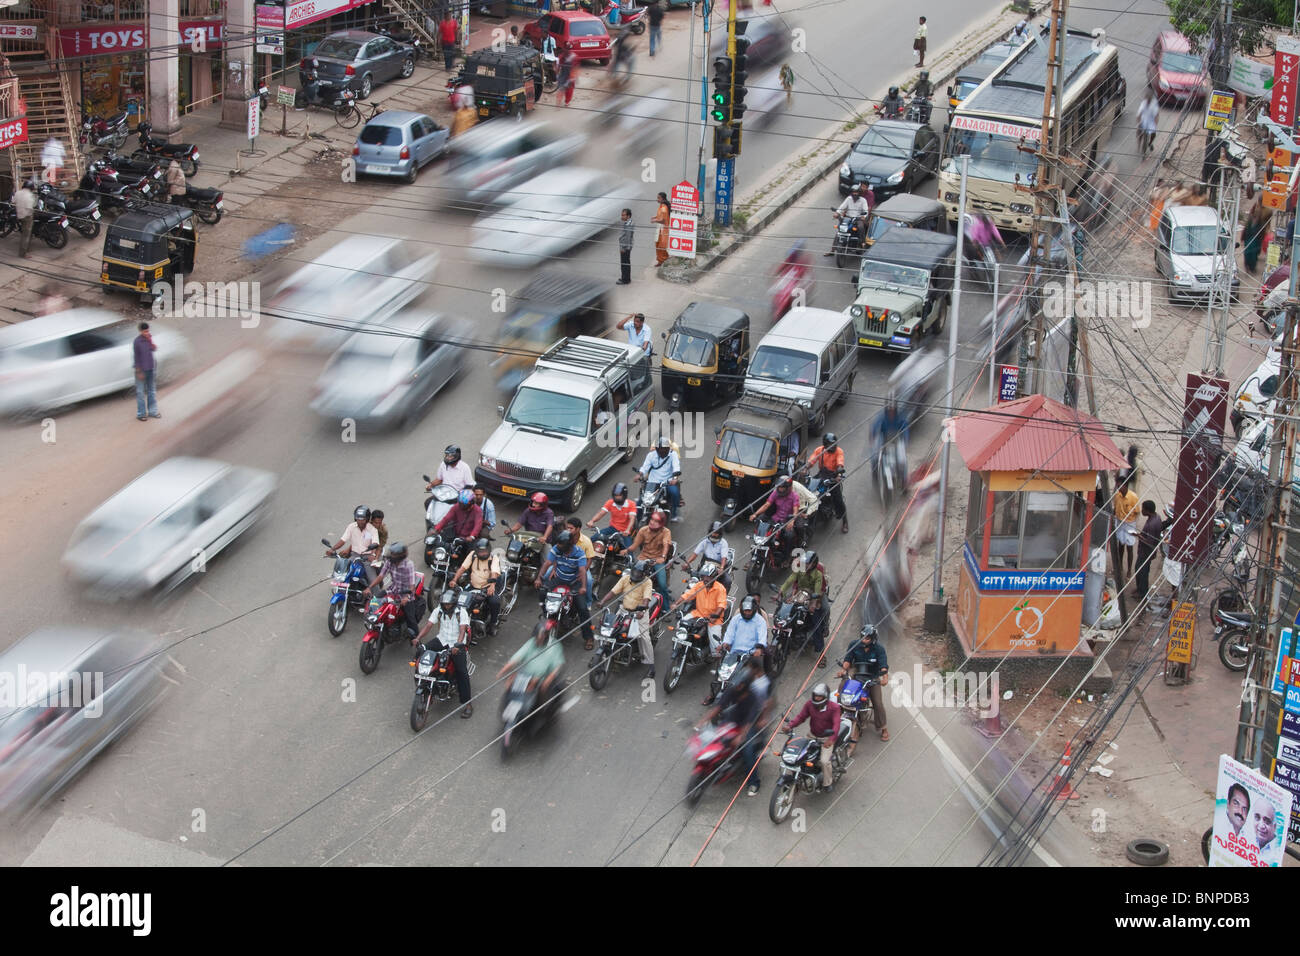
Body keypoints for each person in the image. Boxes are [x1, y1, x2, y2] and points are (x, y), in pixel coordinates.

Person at [413, 589, 474, 717]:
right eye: (444, 604)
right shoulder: (438, 610)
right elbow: (428, 625)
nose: (446, 606)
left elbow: (462, 630)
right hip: (442, 639)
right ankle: (426, 684)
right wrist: (418, 639)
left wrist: (457, 645)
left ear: (454, 603)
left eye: (448, 604)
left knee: (462, 672)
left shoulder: (461, 612)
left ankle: (467, 704)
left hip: (457, 644)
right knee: (422, 652)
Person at [598, 559, 657, 678]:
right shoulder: (625, 578)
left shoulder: (647, 582)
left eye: (639, 573)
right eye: (634, 571)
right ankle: (600, 656)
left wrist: (642, 610)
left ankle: (651, 666)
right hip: (624, 609)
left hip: (639, 612)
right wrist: (602, 601)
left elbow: (646, 599)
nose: (635, 574)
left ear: (644, 574)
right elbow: (613, 592)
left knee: (644, 637)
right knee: (608, 628)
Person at [537, 530, 594, 649]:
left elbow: (582, 570)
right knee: (542, 592)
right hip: (559, 578)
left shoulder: (579, 553)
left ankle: (588, 637)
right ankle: (548, 614)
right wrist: (539, 578)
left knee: (582, 608)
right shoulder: (557, 549)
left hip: (574, 582)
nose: (558, 546)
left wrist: (583, 586)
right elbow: (547, 563)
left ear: (568, 545)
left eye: (561, 544)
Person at [705, 594, 766, 705]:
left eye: (749, 611)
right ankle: (713, 694)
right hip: (734, 651)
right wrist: (725, 643)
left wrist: (759, 648)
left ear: (753, 610)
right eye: (745, 610)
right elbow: (729, 633)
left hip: (750, 654)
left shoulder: (760, 621)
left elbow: (762, 636)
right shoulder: (736, 619)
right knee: (721, 671)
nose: (747, 613)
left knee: (749, 679)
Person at [837, 624, 890, 750]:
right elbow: (847, 660)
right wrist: (843, 670)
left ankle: (883, 727)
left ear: (873, 639)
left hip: (872, 675)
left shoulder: (879, 649)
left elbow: (883, 665)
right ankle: (838, 715)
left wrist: (884, 677)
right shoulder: (854, 644)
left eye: (867, 638)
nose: (864, 640)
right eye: (863, 637)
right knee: (842, 689)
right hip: (856, 672)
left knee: (877, 702)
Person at [497, 621, 566, 715]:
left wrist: (548, 679)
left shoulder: (554, 646)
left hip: (542, 678)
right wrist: (502, 671)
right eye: (537, 637)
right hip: (525, 675)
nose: (538, 640)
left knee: (542, 688)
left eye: (541, 637)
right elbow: (516, 658)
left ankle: (543, 708)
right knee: (510, 682)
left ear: (546, 636)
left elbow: (557, 666)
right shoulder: (531, 643)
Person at [784, 683, 842, 792]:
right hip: (812, 736)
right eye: (815, 695)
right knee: (800, 757)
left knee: (824, 761)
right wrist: (790, 725)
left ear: (825, 697)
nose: (816, 698)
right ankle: (796, 780)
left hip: (826, 739)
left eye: (819, 696)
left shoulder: (834, 708)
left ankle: (828, 782)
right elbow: (801, 717)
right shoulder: (809, 704)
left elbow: (836, 725)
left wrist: (831, 740)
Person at [363, 541, 423, 639]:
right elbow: (381, 576)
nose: (391, 555)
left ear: (400, 555)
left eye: (393, 554)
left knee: (410, 619)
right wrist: (369, 587)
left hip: (406, 593)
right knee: (375, 601)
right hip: (393, 590)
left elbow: (411, 585)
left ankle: (416, 640)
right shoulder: (389, 562)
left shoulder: (408, 565)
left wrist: (406, 597)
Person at [777, 549, 829, 660]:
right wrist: (781, 590)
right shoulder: (800, 569)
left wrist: (813, 604)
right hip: (800, 593)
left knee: (820, 616)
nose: (805, 565)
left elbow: (817, 590)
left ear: (814, 564)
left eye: (808, 563)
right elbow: (790, 580)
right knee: (787, 609)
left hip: (815, 595)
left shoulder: (818, 574)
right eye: (804, 562)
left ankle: (821, 653)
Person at [669, 562, 729, 657]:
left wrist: (714, 616)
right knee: (680, 624)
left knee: (716, 647)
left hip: (713, 619)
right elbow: (688, 595)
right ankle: (681, 646)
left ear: (714, 577)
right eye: (703, 576)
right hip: (698, 613)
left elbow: (721, 606)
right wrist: (676, 604)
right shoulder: (699, 585)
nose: (705, 579)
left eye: (708, 577)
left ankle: (718, 661)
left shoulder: (720, 588)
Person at [450, 537, 502, 634]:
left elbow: (494, 573)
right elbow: (462, 568)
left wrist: (492, 586)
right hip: (473, 586)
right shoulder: (473, 555)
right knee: (459, 600)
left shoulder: (494, 558)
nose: (483, 554)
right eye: (480, 552)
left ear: (489, 550)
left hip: (487, 586)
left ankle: (493, 623)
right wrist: (454, 579)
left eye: (485, 551)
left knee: (494, 601)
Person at [750, 474, 806, 560]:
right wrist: (755, 514)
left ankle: (787, 558)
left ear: (788, 487)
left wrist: (792, 521)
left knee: (789, 536)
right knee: (762, 531)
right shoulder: (775, 493)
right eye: (779, 487)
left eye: (782, 487)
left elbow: (795, 510)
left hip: (787, 520)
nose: (780, 489)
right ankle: (755, 555)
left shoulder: (794, 496)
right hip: (776, 519)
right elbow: (766, 505)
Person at [804, 432, 848, 533]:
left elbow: (840, 463)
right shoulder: (819, 450)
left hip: (833, 476)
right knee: (809, 490)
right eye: (829, 444)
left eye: (834, 444)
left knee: (839, 500)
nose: (832, 446)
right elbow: (812, 460)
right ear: (825, 444)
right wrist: (805, 468)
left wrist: (839, 474)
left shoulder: (839, 451)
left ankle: (845, 522)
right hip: (822, 475)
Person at [325, 505, 381, 584]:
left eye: (363, 519)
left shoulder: (372, 530)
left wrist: (373, 554)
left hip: (367, 557)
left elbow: (375, 543)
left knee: (373, 582)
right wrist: (332, 549)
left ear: (367, 519)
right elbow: (343, 540)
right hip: (354, 555)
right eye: (358, 519)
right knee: (343, 574)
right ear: (355, 518)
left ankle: (377, 595)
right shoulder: (351, 527)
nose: (360, 521)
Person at [629, 509, 673, 601]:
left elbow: (666, 544)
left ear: (661, 523)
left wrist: (663, 557)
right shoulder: (643, 530)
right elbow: (634, 545)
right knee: (631, 578)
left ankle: (666, 608)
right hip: (643, 557)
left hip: (657, 559)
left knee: (662, 584)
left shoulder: (666, 532)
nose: (652, 522)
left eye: (656, 521)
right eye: (652, 519)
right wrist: (625, 551)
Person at [638, 436, 682, 520]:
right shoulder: (651, 455)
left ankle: (674, 512)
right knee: (640, 501)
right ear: (657, 449)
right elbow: (645, 467)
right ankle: (637, 519)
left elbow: (676, 467)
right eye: (660, 449)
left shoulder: (673, 455)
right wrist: (640, 474)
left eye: (665, 449)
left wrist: (675, 478)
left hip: (667, 482)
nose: (662, 451)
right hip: (652, 483)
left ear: (668, 449)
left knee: (675, 492)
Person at [681, 521, 733, 589]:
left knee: (727, 581)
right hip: (705, 567)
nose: (714, 534)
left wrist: (722, 568)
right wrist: (687, 563)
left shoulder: (723, 543)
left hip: (718, 567)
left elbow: (724, 557)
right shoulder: (705, 541)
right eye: (713, 532)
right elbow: (695, 554)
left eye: (716, 533)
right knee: (694, 579)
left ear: (719, 534)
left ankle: (723, 597)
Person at [587, 481, 637, 548]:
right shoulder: (610, 502)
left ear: (624, 495)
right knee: (592, 539)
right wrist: (592, 521)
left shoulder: (631, 504)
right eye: (616, 495)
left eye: (619, 495)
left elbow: (632, 519)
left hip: (624, 532)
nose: (617, 497)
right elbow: (601, 513)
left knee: (628, 552)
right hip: (612, 528)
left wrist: (627, 530)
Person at [870, 395, 909, 480]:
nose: (891, 412)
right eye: (889, 410)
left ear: (895, 409)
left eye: (893, 409)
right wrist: (873, 438)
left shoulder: (900, 416)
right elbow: (875, 427)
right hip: (883, 437)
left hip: (896, 438)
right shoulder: (881, 417)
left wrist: (905, 441)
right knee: (874, 454)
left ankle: (904, 480)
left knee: (903, 459)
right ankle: (875, 471)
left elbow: (905, 428)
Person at [825, 184, 870, 256]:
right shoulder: (849, 199)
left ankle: (862, 243)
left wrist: (863, 216)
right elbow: (841, 207)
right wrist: (837, 213)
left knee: (861, 227)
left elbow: (866, 210)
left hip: (857, 218)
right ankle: (832, 250)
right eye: (853, 192)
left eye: (856, 192)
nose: (855, 194)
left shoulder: (863, 200)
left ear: (859, 193)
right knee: (839, 231)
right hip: (848, 218)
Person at [1134, 499, 1163, 603]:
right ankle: (1139, 590)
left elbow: (1149, 542)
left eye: (1143, 509)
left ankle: (1142, 593)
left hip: (1146, 552)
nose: (1142, 511)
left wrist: (1138, 536)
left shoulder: (1152, 524)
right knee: (1140, 570)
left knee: (1142, 572)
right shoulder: (1156, 517)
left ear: (1147, 510)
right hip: (1146, 552)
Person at [1113, 479, 1140, 585]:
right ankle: (1119, 567)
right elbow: (1115, 509)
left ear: (1126, 486)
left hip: (1129, 523)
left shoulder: (1133, 497)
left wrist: (1132, 524)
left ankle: (1129, 570)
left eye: (1120, 486)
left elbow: (1137, 512)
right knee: (1121, 544)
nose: (1119, 488)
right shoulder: (1117, 496)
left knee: (1129, 546)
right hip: (1119, 521)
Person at [133, 321, 160, 421]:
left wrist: (150, 341)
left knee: (151, 391)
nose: (147, 333)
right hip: (141, 370)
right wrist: (139, 372)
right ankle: (141, 414)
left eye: (147, 331)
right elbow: (136, 358)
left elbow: (154, 349)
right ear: (140, 331)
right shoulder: (137, 342)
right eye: (144, 331)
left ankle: (152, 411)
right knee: (140, 393)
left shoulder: (149, 339)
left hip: (151, 368)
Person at [1242, 200, 1270, 274]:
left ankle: (1252, 268)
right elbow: (1245, 229)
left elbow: (1262, 233)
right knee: (1247, 254)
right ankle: (1247, 266)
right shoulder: (1249, 221)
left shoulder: (1261, 223)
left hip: (1256, 242)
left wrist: (1260, 241)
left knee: (1254, 256)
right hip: (1248, 240)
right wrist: (1243, 238)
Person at [13, 179, 35, 258]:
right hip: (27, 217)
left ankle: (27, 248)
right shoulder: (29, 196)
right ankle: (23, 253)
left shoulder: (17, 193)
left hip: (19, 215)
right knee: (26, 235)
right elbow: (30, 208)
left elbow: (13, 201)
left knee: (25, 233)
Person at [1137, 91, 1158, 159]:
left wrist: (1155, 123)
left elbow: (1156, 115)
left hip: (1151, 122)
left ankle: (1150, 143)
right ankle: (1139, 145)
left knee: (1153, 134)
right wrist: (1139, 121)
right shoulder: (1143, 104)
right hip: (1143, 120)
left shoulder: (1153, 104)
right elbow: (1139, 114)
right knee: (1139, 133)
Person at [652, 191, 670, 266]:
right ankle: (662, 259)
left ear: (663, 199)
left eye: (658, 198)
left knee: (661, 246)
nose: (657, 199)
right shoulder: (661, 206)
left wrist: (655, 220)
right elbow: (660, 216)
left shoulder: (663, 208)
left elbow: (663, 220)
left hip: (663, 230)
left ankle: (662, 260)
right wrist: (655, 217)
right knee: (659, 245)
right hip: (660, 229)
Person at [617, 208, 634, 284]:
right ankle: (626, 278)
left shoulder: (628, 225)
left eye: (623, 215)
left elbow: (627, 238)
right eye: (622, 215)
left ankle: (625, 280)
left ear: (628, 216)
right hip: (626, 247)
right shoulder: (628, 222)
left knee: (624, 264)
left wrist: (624, 248)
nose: (622, 216)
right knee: (625, 263)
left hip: (625, 247)